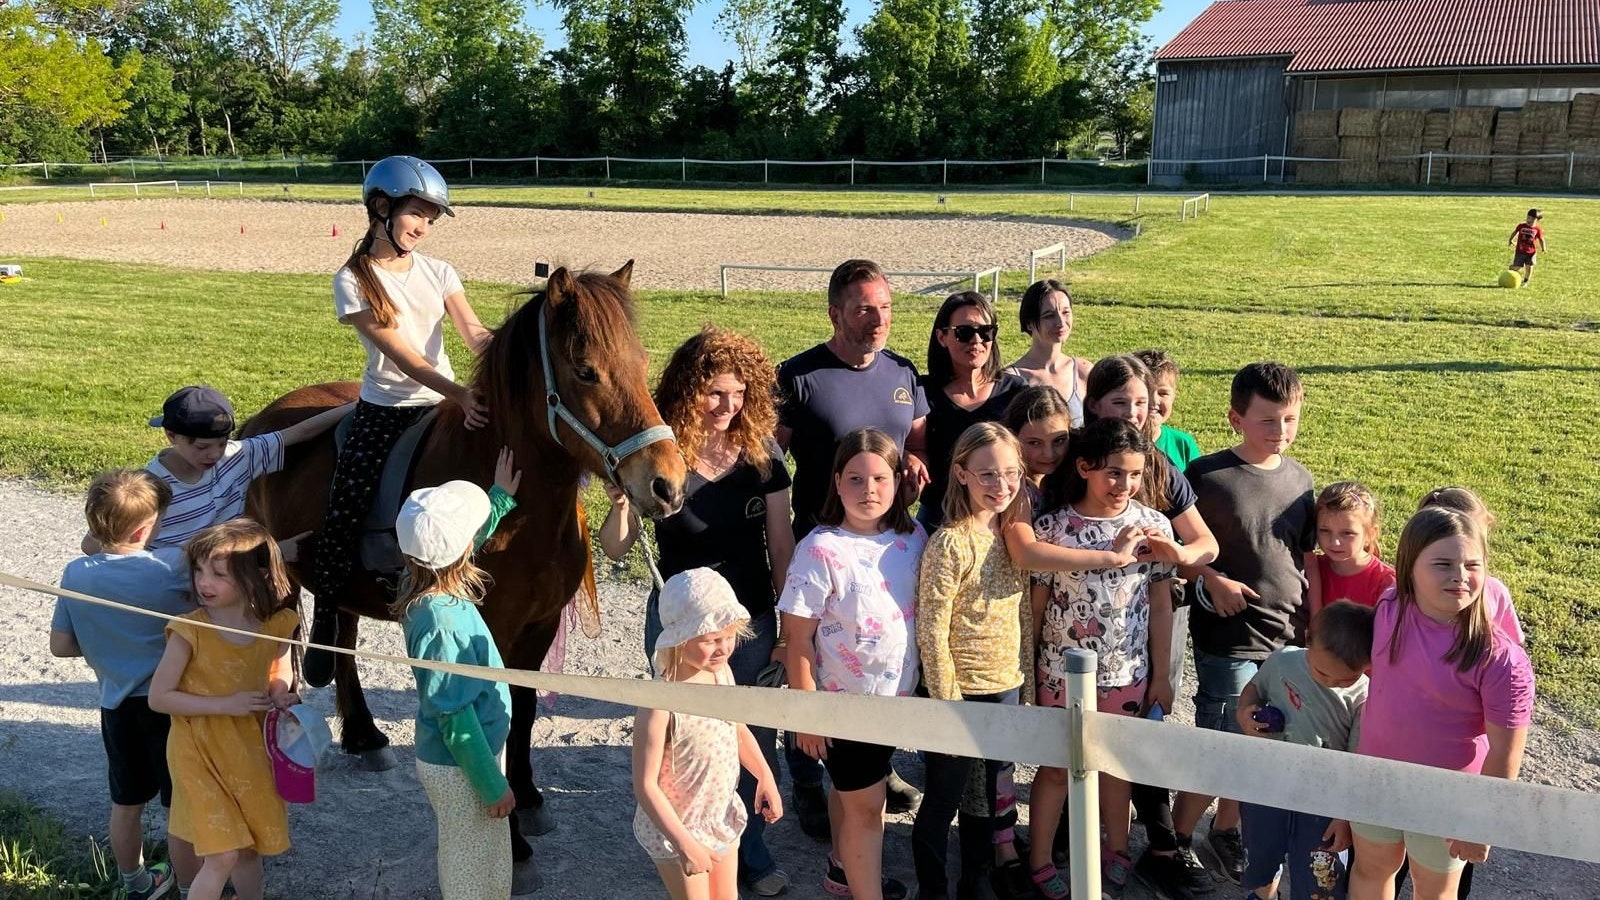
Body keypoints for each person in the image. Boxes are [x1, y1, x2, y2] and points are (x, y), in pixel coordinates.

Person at [600, 326, 794, 896]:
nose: (728, 407)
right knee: (681, 747)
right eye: (714, 392)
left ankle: (748, 855)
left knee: (749, 739)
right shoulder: (666, 459)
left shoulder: (764, 456)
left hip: (748, 623)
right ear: (688, 391)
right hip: (680, 628)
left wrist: (783, 634)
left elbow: (781, 547)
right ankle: (682, 845)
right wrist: (619, 504)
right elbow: (615, 548)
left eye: (738, 394)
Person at [305, 155, 495, 688]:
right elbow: (405, 357)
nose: (423, 228)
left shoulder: (439, 271)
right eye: (418, 213)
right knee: (344, 509)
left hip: (445, 404)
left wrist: (506, 358)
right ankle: (326, 616)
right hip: (387, 408)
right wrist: (459, 393)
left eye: (431, 219)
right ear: (381, 208)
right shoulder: (352, 281)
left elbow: (474, 332)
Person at [775, 259, 929, 829]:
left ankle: (874, 764)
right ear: (835, 312)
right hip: (821, 547)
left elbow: (919, 445)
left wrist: (915, 462)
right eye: (865, 308)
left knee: (873, 656)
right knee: (814, 654)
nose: (878, 319)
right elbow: (768, 458)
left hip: (885, 546)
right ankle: (808, 776)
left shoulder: (903, 373)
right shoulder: (799, 377)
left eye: (885, 307)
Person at [1080, 354, 1223, 897]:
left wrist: (1180, 553)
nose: (1137, 413)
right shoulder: (1080, 457)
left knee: (1146, 728)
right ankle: (1080, 832)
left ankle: (1160, 846)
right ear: (1094, 405)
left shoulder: (1159, 465)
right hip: (1084, 624)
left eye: (1142, 402)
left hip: (1155, 615)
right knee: (1082, 729)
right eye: (1121, 403)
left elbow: (1205, 542)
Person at [1174, 362, 1317, 886]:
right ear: (1236, 418)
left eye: (1290, 419)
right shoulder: (1207, 477)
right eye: (1268, 420)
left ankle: (1225, 829)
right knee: (1222, 743)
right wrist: (1212, 578)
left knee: (1259, 742)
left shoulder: (1300, 479)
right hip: (1228, 639)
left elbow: (1303, 556)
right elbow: (1176, 549)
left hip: (1284, 640)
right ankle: (1176, 840)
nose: (1280, 431)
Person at [1348, 508, 1534, 900]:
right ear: (1409, 567)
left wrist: (1480, 821)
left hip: (1448, 797)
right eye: (1442, 564)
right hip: (1376, 777)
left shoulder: (1502, 659)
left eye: (1472, 564)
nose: (1460, 576)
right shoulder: (1389, 608)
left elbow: (1505, 756)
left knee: (1432, 891)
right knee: (1370, 870)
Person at [1029, 418, 1178, 900]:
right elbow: (1036, 605)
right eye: (1114, 472)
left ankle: (1116, 848)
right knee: (1054, 770)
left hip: (1126, 674)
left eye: (1134, 475)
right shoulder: (1052, 528)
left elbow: (1160, 603)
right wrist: (1028, 670)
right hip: (1058, 673)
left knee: (1115, 767)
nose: (1125, 485)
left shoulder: (1154, 526)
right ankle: (1040, 858)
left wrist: (1160, 674)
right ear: (1085, 468)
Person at [780, 428, 927, 900]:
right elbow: (797, 639)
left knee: (852, 791)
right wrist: (808, 713)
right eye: (856, 479)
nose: (869, 490)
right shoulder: (820, 549)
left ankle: (843, 869)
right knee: (868, 806)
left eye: (881, 479)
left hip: (893, 702)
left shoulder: (914, 536)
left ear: (898, 480)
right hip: (841, 706)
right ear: (837, 481)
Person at [50, 470, 198, 900]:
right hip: (173, 705)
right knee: (179, 808)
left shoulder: (77, 573)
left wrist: (107, 643)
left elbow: (61, 646)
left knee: (127, 802)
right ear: (144, 528)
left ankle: (136, 882)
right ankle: (192, 886)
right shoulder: (170, 565)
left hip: (117, 705)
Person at [391, 450, 525, 900]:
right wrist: (492, 785)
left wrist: (499, 499)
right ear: (465, 549)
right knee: (468, 859)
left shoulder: (422, 584)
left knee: (486, 851)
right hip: (462, 764)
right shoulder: (441, 622)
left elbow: (459, 543)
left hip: (475, 755)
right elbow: (454, 717)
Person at [148, 520, 301, 900]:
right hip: (197, 749)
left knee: (249, 849)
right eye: (199, 570)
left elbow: (277, 666)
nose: (203, 582)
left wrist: (280, 691)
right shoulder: (189, 630)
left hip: (247, 750)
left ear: (258, 575)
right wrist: (224, 705)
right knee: (222, 854)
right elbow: (159, 697)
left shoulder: (275, 626)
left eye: (218, 573)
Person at [912, 423, 1029, 900]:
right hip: (960, 693)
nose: (1000, 486)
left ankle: (975, 878)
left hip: (1005, 685)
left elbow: (1021, 609)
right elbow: (932, 628)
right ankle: (933, 889)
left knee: (987, 796)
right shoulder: (950, 543)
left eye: (1009, 473)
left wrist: (1027, 685)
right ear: (960, 474)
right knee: (944, 799)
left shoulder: (1012, 535)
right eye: (986, 475)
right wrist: (947, 698)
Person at [1391, 488, 1525, 899]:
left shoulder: (1493, 596)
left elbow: (1510, 660)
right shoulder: (1397, 601)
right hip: (1399, 753)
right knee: (1387, 860)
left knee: (1447, 866)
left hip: (1460, 761)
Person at [633, 568, 785, 900]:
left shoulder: (721, 675)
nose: (722, 648)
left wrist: (764, 776)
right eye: (709, 639)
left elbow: (737, 728)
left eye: (728, 636)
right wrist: (685, 843)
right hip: (677, 830)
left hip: (718, 814)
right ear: (679, 638)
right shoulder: (659, 704)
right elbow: (645, 786)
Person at [1235, 601, 1376, 900]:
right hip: (1267, 785)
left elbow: (1356, 761)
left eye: (1345, 679)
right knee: (1262, 851)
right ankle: (1263, 895)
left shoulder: (1364, 695)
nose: (1332, 683)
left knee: (1320, 871)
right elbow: (1255, 688)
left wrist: (1344, 817)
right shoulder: (1283, 661)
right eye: (1322, 672)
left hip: (1323, 802)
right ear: (1308, 638)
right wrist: (1245, 712)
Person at [141, 385, 351, 551]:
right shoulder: (148, 489)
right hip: (170, 584)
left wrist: (362, 403)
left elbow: (301, 432)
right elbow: (131, 549)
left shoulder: (236, 456)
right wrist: (272, 553)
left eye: (222, 443)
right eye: (202, 446)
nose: (214, 454)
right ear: (171, 436)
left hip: (222, 577)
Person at [919, 291, 1025, 531]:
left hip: (999, 516)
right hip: (939, 517)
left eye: (985, 331)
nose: (976, 341)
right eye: (964, 333)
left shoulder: (1015, 392)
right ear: (942, 337)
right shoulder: (923, 392)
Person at [1003, 279, 1090, 426]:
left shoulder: (1083, 371)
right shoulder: (1010, 380)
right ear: (1029, 323)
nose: (1061, 322)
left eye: (1066, 312)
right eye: (1049, 315)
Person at [1308, 482, 1396, 617]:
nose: (1335, 542)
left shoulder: (1387, 583)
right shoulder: (1312, 569)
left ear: (1370, 534)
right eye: (1325, 530)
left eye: (1347, 533)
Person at [1132, 349, 1202, 472]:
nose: (1153, 400)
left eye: (1163, 393)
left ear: (1174, 396)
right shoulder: (1118, 443)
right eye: (1146, 391)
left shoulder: (1183, 444)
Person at [1506, 208, 1546, 286]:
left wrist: (1544, 248)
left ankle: (1525, 281)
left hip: (1531, 252)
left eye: (1532, 219)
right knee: (1516, 267)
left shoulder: (1537, 229)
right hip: (1520, 251)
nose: (1529, 220)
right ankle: (1510, 272)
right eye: (1528, 217)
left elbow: (1541, 239)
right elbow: (1514, 232)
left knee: (1529, 267)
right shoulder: (1521, 226)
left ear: (1537, 220)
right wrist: (1510, 240)